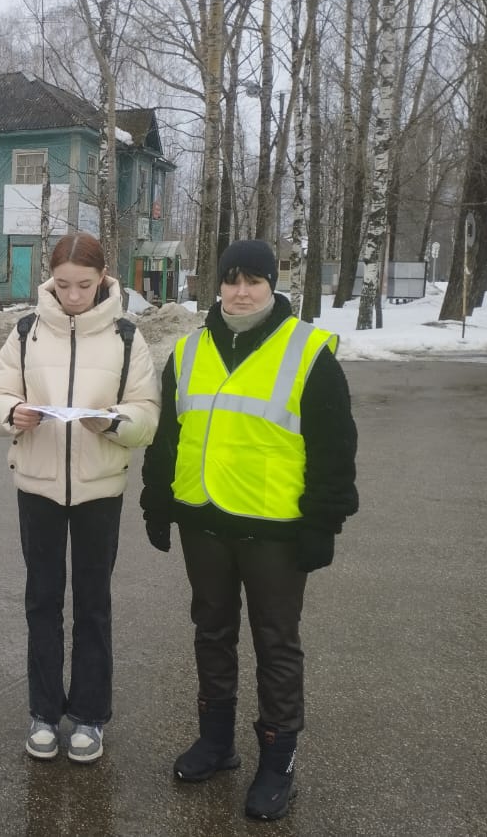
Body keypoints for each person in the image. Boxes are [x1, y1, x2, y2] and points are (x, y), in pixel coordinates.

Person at [140, 239, 358, 821]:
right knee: (211, 631)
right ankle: (216, 743)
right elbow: (167, 439)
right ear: (218, 284)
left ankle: (277, 762)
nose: (242, 291)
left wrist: (323, 522)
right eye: (232, 279)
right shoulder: (188, 352)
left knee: (275, 643)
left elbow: (335, 450)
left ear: (272, 284)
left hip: (276, 531)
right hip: (204, 522)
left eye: (254, 280)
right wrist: (156, 502)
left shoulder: (308, 352)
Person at [0, 232, 160, 764]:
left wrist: (116, 424)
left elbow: (146, 410)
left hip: (99, 490)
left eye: (85, 284)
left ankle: (89, 716)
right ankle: (42, 713)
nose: (74, 295)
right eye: (63, 284)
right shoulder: (26, 331)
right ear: (50, 279)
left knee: (93, 604)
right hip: (36, 486)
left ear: (104, 278)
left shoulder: (128, 337)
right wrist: (13, 413)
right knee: (41, 601)